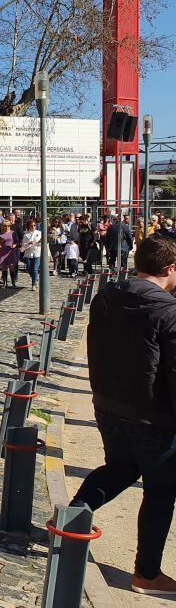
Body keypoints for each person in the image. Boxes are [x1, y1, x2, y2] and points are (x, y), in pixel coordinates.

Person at [71, 236, 176, 596]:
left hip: (108, 403)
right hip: (153, 415)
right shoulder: (168, 311)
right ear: (171, 268)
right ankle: (147, 574)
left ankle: (71, 517)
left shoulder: (106, 297)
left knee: (121, 467)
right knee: (161, 490)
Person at [0, 221, 20, 288]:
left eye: (8, 226)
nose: (6, 227)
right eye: (5, 226)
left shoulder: (13, 233)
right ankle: (5, 283)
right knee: (4, 267)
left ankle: (13, 282)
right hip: (3, 252)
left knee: (11, 267)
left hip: (10, 252)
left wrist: (14, 245)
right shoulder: (0, 234)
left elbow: (16, 241)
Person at [21, 219, 42, 290]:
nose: (33, 227)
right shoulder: (26, 235)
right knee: (29, 268)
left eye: (34, 225)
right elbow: (24, 246)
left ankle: (34, 284)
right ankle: (35, 278)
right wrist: (29, 243)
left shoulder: (39, 233)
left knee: (35, 269)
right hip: (28, 253)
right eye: (31, 225)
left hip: (37, 252)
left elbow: (42, 242)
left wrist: (38, 242)